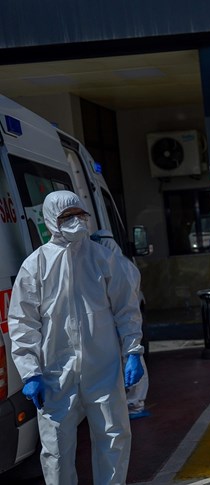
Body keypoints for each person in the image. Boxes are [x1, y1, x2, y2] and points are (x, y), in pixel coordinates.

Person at [8, 191, 144, 485]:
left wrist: (133, 350)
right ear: (51, 221)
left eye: (80, 215)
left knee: (113, 436)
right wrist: (31, 373)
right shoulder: (36, 265)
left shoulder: (103, 259)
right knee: (56, 448)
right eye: (67, 217)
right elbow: (22, 323)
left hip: (103, 367)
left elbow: (126, 308)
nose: (76, 222)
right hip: (56, 372)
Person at [91, 229, 150, 420]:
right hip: (125, 322)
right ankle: (133, 403)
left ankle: (134, 404)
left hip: (121, 322)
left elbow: (125, 301)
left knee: (131, 362)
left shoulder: (115, 267)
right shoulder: (127, 265)